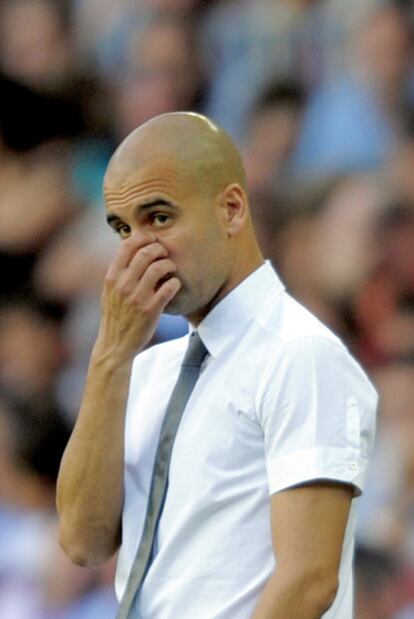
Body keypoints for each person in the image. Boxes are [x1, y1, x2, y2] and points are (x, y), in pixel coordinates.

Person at [56, 112, 377, 618]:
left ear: (231, 209)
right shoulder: (144, 370)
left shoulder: (301, 355)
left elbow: (309, 580)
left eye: (159, 217)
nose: (138, 251)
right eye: (122, 229)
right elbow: (82, 541)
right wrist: (110, 357)